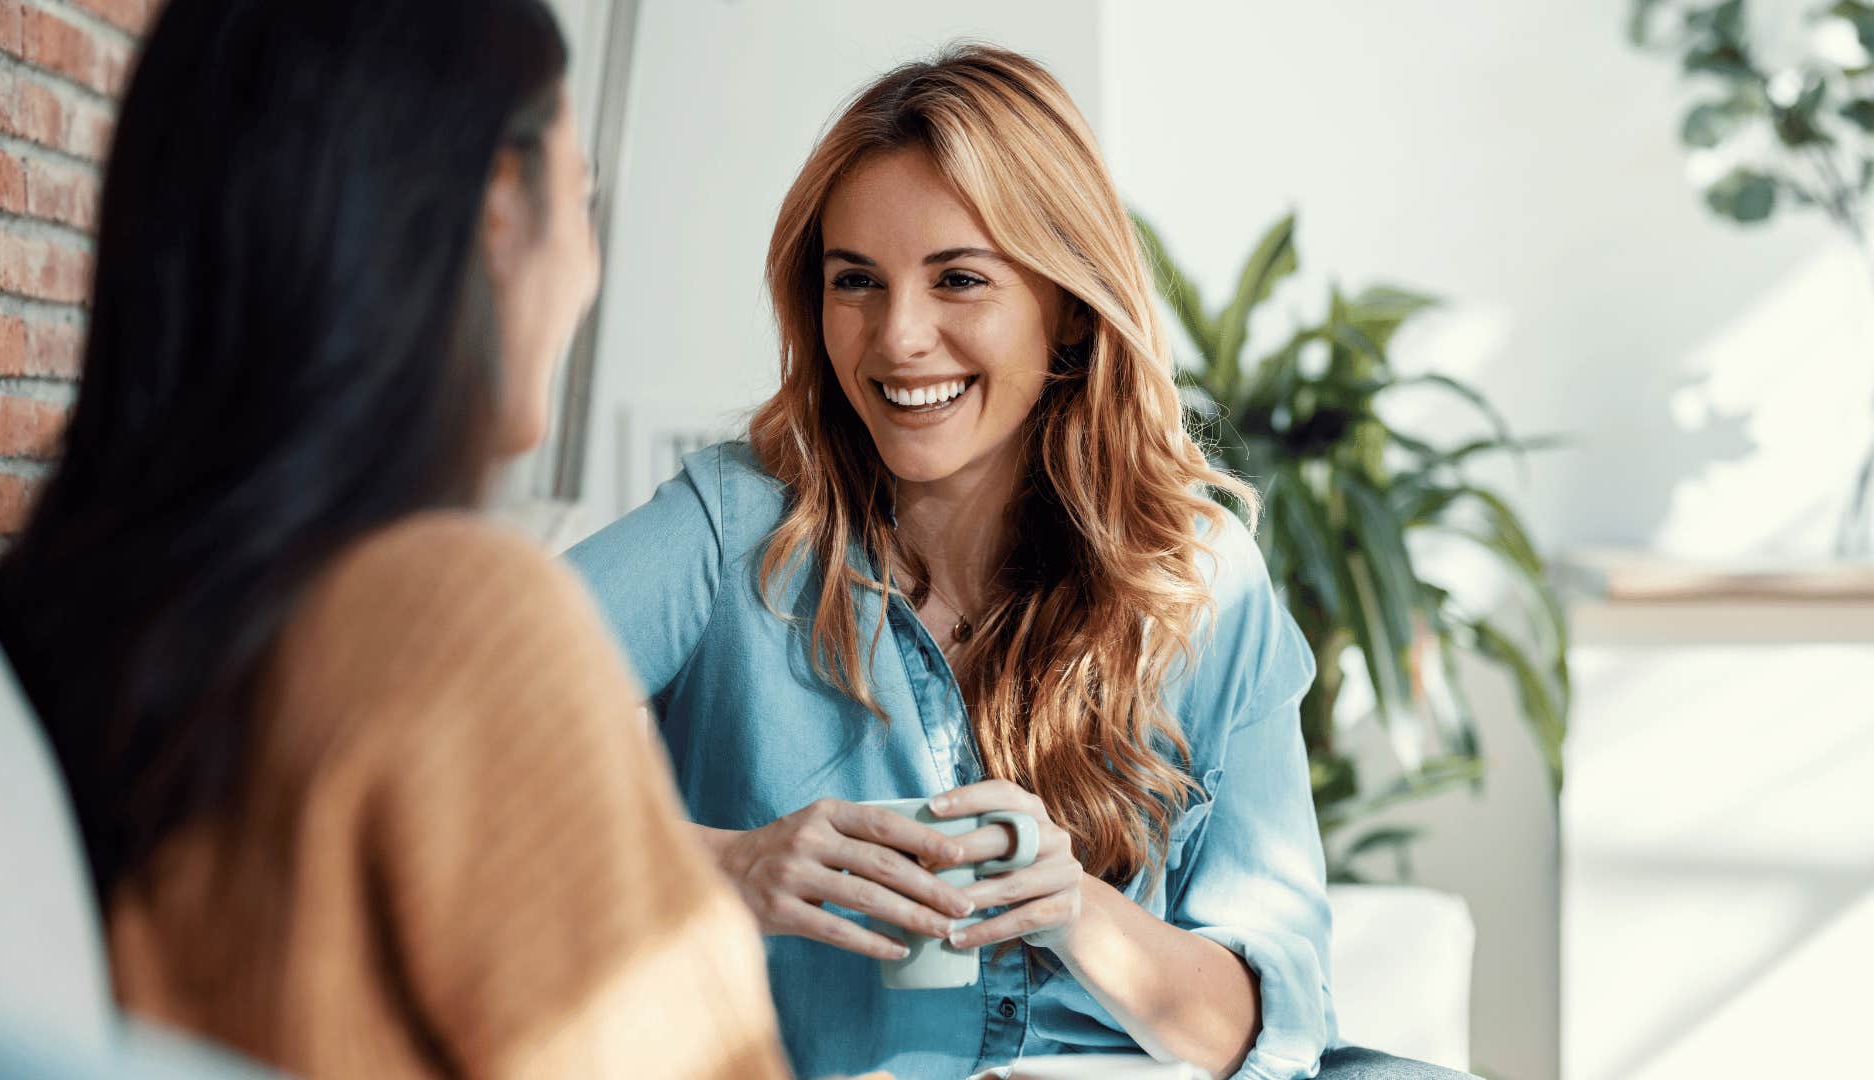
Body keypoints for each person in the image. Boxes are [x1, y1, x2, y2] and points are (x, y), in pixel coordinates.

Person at [565, 44, 1471, 1080]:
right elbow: (430, 728)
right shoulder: (739, 528)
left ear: (1067, 305)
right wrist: (730, 865)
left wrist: (1073, 908)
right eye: (854, 281)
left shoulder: (1197, 580)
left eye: (959, 279)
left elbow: (1264, 1034)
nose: (898, 337)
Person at [0, 1, 792, 1076]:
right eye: (584, 202)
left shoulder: (63, 615)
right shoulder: (458, 617)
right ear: (500, 210)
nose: (590, 271)